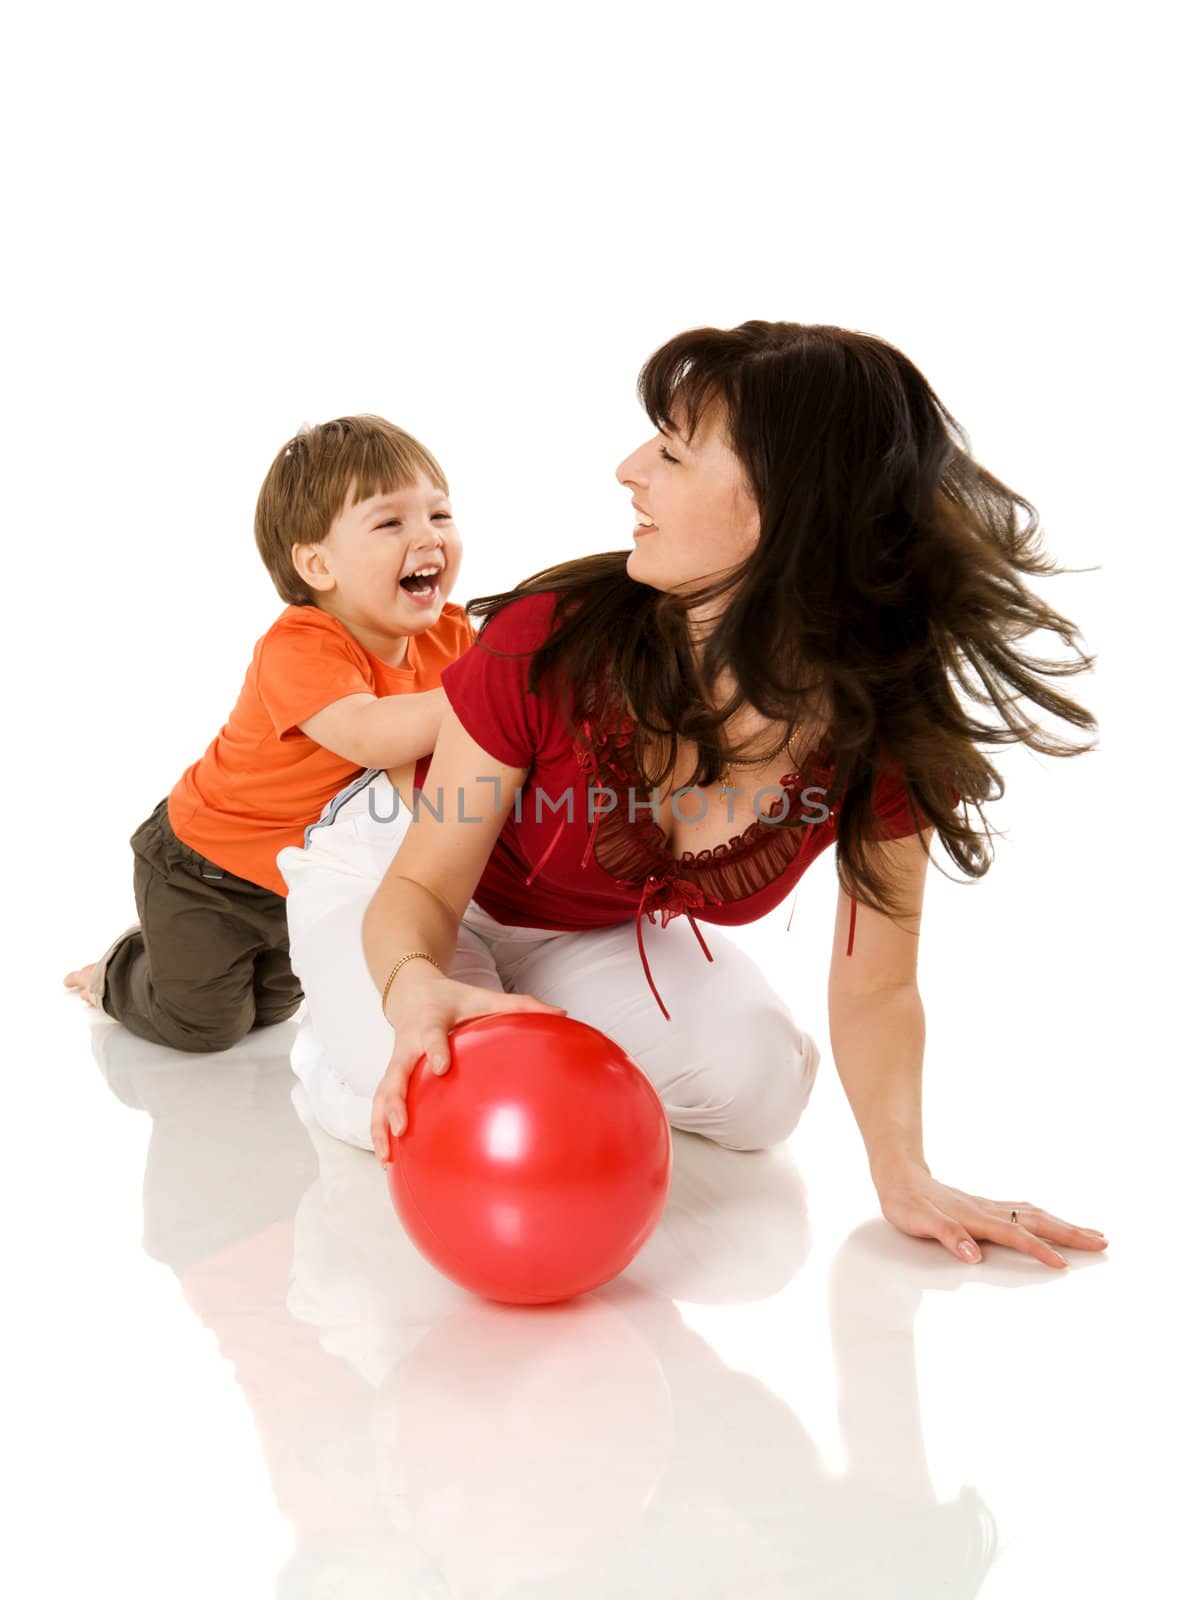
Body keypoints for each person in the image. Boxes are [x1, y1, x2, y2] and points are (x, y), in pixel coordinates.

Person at [289, 321, 1109, 1268]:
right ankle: (325, 1042)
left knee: (761, 1089)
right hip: (401, 869)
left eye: (674, 451)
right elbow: (427, 890)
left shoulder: (881, 726)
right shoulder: (549, 642)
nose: (629, 468)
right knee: (438, 1094)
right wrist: (415, 984)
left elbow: (877, 980)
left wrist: (902, 1171)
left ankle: (504, 1010)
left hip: (582, 920)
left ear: (789, 506)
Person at [63, 414, 475, 1052]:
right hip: (204, 868)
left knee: (274, 1008)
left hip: (303, 877)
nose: (427, 538)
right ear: (317, 564)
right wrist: (483, 695)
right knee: (204, 1027)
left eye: (440, 516)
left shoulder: (450, 636)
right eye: (391, 522)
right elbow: (371, 735)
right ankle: (119, 969)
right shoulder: (301, 646)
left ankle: (186, 963)